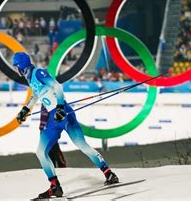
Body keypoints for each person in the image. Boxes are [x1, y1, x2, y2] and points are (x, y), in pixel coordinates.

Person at [13, 52, 118, 199]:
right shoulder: (31, 79)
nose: (16, 70)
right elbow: (35, 95)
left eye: (16, 66)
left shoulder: (38, 72)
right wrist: (24, 110)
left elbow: (57, 86)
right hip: (53, 117)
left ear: (21, 66)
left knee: (80, 145)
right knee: (41, 152)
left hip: (62, 113)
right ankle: (56, 186)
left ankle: (108, 173)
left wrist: (61, 108)